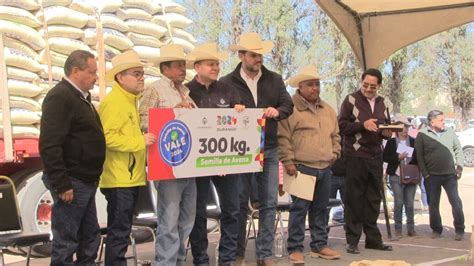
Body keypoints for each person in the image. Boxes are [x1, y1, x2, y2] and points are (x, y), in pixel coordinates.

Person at [220, 32, 293, 266]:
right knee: (239, 203)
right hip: (240, 150)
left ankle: (264, 254)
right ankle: (238, 254)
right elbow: (220, 113)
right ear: (242, 56)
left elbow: (287, 105)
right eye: (253, 55)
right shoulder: (227, 82)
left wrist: (277, 112)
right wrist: (233, 110)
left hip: (269, 147)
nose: (258, 59)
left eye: (260, 55)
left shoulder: (275, 79)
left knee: (269, 202)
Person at [39, 50, 106, 265]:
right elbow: (50, 144)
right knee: (67, 241)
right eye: (92, 72)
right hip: (72, 182)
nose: (96, 77)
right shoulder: (60, 97)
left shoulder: (80, 98)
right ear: (76, 71)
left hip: (85, 181)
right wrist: (62, 183)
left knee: (90, 237)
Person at [186, 42, 245, 266]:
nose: (216, 68)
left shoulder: (228, 90)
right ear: (197, 67)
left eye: (217, 64)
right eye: (211, 64)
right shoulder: (185, 90)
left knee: (232, 209)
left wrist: (240, 111)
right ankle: (201, 259)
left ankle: (227, 259)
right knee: (198, 214)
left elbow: (241, 125)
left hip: (226, 164)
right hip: (198, 164)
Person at [138, 44, 197, 265]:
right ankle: (166, 262)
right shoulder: (154, 90)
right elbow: (144, 122)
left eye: (184, 65)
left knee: (186, 220)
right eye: (179, 65)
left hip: (187, 164)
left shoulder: (186, 92)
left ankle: (178, 260)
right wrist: (174, 114)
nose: (183, 69)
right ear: (165, 68)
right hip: (166, 166)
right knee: (169, 220)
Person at [278, 65, 341, 264]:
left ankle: (319, 245)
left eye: (317, 84)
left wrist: (336, 152)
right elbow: (283, 137)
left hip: (325, 166)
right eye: (310, 85)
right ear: (300, 87)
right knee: (299, 209)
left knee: (321, 209)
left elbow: (335, 135)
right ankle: (295, 248)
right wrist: (288, 161)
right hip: (300, 167)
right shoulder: (291, 109)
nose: (315, 88)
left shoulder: (328, 110)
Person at [98, 50, 156, 265]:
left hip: (129, 177)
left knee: (122, 230)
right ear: (120, 77)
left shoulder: (130, 100)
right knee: (119, 232)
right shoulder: (114, 102)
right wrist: (140, 142)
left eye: (142, 73)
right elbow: (107, 138)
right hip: (119, 178)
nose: (142, 78)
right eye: (136, 74)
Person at [338, 68, 393, 254]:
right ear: (361, 82)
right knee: (354, 198)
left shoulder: (384, 102)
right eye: (365, 84)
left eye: (372, 86)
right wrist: (363, 124)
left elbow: (386, 126)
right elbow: (341, 125)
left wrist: (387, 132)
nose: (368, 88)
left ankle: (373, 239)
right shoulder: (350, 100)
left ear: (379, 85)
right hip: (355, 155)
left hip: (376, 155)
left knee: (373, 199)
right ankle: (352, 240)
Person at [415, 110, 465, 241]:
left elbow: (458, 150)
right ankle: (436, 229)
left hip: (450, 176)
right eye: (441, 120)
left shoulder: (450, 132)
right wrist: (425, 174)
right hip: (432, 177)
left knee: (456, 202)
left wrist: (459, 167)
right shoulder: (422, 135)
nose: (444, 123)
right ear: (432, 122)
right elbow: (419, 156)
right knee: (433, 204)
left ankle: (460, 229)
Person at [382, 114, 418, 237]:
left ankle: (411, 228)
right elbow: (385, 157)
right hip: (396, 175)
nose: (405, 130)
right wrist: (398, 157)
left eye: (407, 127)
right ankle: (398, 228)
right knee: (398, 202)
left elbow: (418, 158)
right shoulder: (391, 142)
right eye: (403, 127)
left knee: (410, 203)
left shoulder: (413, 141)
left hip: (411, 176)